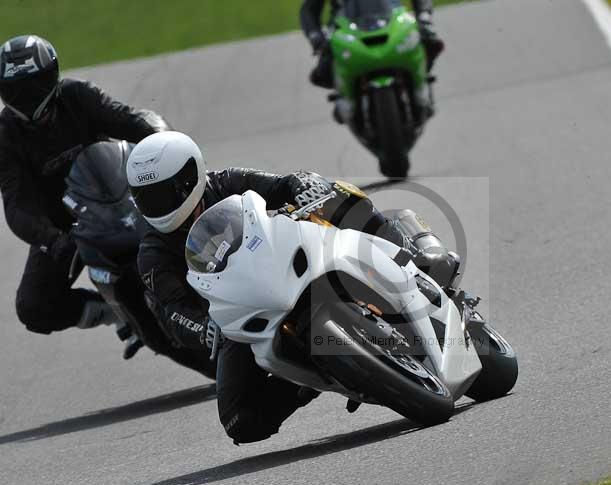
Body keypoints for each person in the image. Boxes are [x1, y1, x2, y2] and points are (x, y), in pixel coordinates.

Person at [128, 131, 459, 444]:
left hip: (285, 257)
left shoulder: (226, 182)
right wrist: (203, 329)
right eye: (146, 198)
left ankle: (408, 254)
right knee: (240, 421)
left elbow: (282, 184)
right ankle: (308, 381)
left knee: (338, 194)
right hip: (240, 313)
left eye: (162, 194)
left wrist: (305, 185)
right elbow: (173, 310)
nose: (156, 206)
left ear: (190, 177)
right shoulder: (152, 253)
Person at [0, 34, 168, 336]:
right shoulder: (5, 136)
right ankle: (117, 313)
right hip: (65, 226)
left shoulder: (77, 95)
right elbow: (16, 205)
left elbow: (128, 120)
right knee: (33, 306)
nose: (27, 97)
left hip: (118, 197)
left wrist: (164, 142)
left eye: (34, 85)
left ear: (51, 77)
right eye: (16, 90)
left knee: (183, 209)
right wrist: (53, 240)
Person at [300, 0, 444, 89]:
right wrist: (316, 37)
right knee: (323, 71)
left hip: (393, 19)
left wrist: (424, 17)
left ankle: (419, 82)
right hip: (346, 28)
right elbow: (308, 10)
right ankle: (345, 97)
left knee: (429, 42)